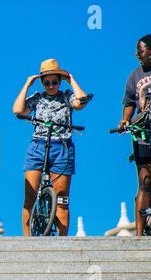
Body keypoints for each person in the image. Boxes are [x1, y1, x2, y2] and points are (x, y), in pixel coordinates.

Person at [12, 59, 91, 236]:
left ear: (60, 82)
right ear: (42, 83)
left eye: (55, 82)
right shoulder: (37, 98)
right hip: (38, 146)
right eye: (47, 82)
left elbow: (81, 102)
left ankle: (62, 242)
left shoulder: (67, 96)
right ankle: (27, 240)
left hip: (62, 147)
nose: (51, 86)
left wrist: (71, 79)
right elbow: (18, 110)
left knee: (62, 199)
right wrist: (27, 84)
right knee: (30, 196)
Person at [117, 34, 151, 236]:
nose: (137, 56)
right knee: (146, 182)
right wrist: (125, 120)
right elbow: (129, 102)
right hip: (144, 133)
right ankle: (138, 237)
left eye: (140, 51)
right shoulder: (135, 75)